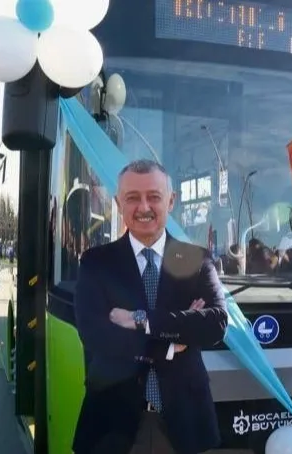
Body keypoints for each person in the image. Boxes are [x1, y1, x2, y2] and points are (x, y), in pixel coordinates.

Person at [73, 159, 228, 454]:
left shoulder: (196, 259)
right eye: (133, 197)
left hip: (185, 423)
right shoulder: (96, 263)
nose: (144, 207)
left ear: (171, 201)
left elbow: (215, 324)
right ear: (118, 203)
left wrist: (141, 320)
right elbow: (95, 334)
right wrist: (169, 345)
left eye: (154, 197)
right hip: (112, 423)